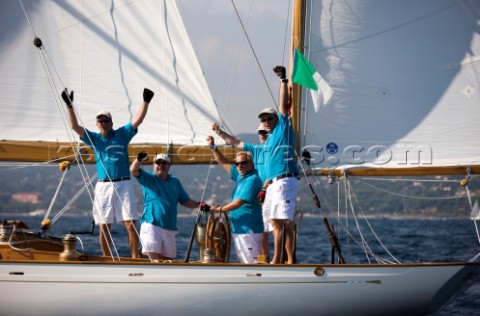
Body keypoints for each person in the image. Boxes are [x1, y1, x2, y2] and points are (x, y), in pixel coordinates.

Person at [213, 66, 299, 264]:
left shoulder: (283, 129)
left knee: (282, 223)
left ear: (276, 119)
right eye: (263, 120)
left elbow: (285, 104)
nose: (266, 122)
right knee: (275, 224)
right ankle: (280, 260)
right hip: (274, 186)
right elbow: (236, 143)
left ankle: (281, 261)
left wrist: (283, 80)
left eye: (269, 118)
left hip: (285, 181)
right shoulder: (264, 146)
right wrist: (220, 133)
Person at [62, 87, 154, 258]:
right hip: (103, 186)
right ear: (97, 124)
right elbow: (74, 126)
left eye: (106, 121)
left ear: (111, 123)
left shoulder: (121, 134)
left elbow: (137, 120)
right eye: (100, 121)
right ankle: (106, 258)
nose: (103, 123)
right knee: (104, 226)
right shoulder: (94, 139)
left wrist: (146, 101)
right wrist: (69, 104)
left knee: (131, 224)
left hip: (124, 183)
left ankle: (135, 257)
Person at [211, 122, 271, 261]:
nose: (239, 166)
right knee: (247, 263)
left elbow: (238, 203)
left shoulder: (252, 180)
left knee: (250, 264)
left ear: (251, 163)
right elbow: (225, 163)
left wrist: (221, 209)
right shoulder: (241, 176)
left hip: (248, 229)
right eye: (237, 163)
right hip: (240, 229)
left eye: (243, 163)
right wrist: (213, 148)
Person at [130, 152, 200, 260]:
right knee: (156, 261)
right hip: (151, 225)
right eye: (158, 162)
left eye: (164, 163)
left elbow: (185, 201)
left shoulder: (175, 182)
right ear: (153, 165)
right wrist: (139, 158)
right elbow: (134, 170)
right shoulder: (148, 178)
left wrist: (200, 205)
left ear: (169, 166)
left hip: (170, 229)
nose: (161, 165)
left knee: (168, 263)